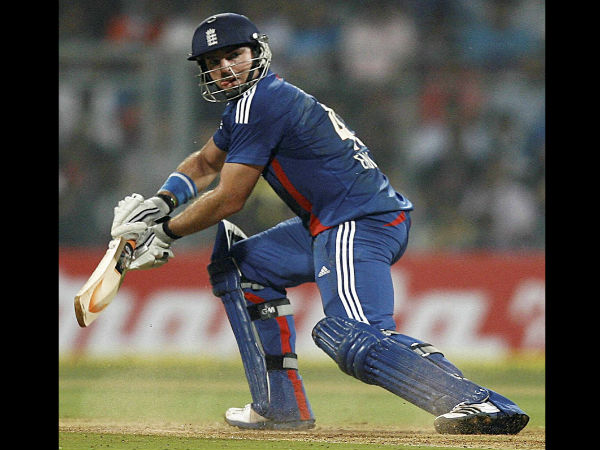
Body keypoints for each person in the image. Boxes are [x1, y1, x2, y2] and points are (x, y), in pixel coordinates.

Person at [110, 12, 529, 434]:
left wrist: (165, 233)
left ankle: (476, 401)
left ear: (257, 52)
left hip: (355, 221)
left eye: (233, 55)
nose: (224, 68)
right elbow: (204, 164)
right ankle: (280, 405)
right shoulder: (251, 105)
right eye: (212, 62)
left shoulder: (260, 102)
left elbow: (230, 197)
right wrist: (159, 203)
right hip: (335, 222)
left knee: (349, 336)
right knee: (241, 268)